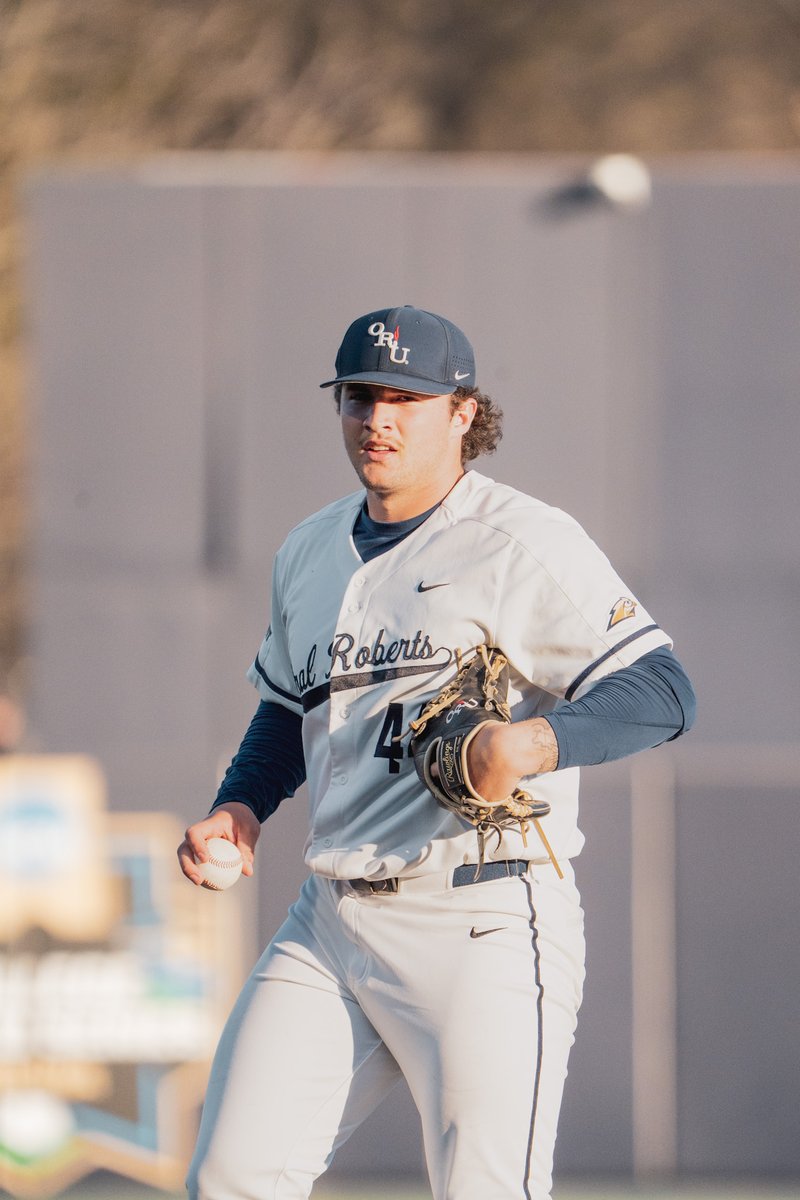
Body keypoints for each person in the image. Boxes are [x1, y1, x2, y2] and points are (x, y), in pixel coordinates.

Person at [178, 305, 696, 1200]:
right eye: (359, 396)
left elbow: (663, 693)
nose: (377, 418)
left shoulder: (521, 541)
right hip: (331, 921)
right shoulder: (308, 550)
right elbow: (287, 709)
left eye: (404, 398)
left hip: (482, 918)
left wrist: (529, 742)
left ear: (462, 413)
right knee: (230, 1177)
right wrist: (241, 807)